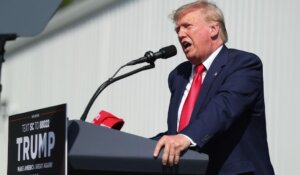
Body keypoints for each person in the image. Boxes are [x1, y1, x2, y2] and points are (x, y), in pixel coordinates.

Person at [152, 1, 275, 174]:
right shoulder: (178, 75)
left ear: (213, 29)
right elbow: (180, 131)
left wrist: (185, 137)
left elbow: (223, 108)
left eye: (187, 26)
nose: (180, 34)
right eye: (177, 29)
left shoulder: (243, 64)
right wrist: (125, 143)